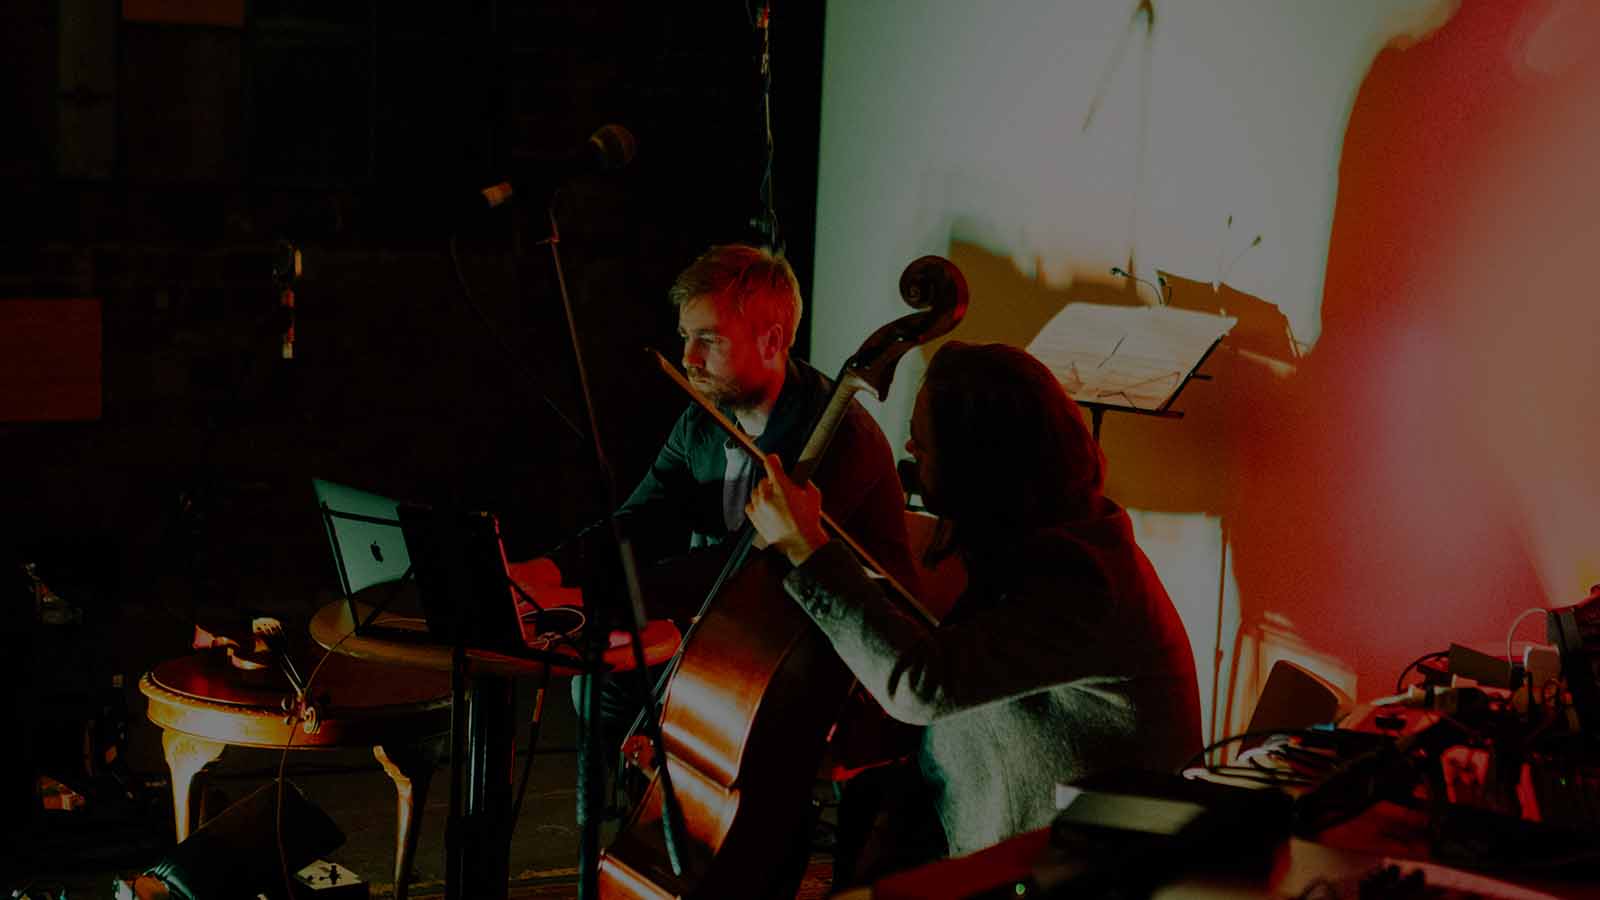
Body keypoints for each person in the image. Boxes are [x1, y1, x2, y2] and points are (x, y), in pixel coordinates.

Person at [746, 340, 1204, 875]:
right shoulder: (1041, 544)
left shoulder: (1084, 581)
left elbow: (920, 685)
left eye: (926, 439)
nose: (910, 447)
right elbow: (964, 670)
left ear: (981, 460)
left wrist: (807, 548)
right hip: (1004, 838)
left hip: (1082, 871)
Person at [519, 243, 919, 784]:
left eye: (708, 339)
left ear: (771, 340)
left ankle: (695, 829)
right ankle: (650, 824)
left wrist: (602, 603)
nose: (689, 358)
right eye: (686, 337)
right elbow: (640, 518)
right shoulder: (702, 421)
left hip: (832, 650)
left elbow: (755, 569)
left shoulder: (833, 436)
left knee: (638, 671)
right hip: (734, 628)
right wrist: (546, 572)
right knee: (596, 681)